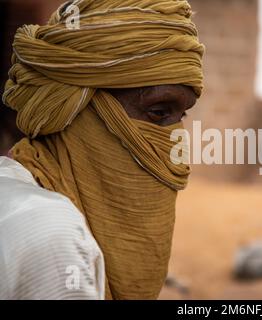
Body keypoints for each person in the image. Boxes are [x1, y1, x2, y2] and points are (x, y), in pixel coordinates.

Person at [0, 0, 204, 300]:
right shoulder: (53, 236)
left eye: (181, 116)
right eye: (159, 113)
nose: (177, 144)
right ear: (72, 106)